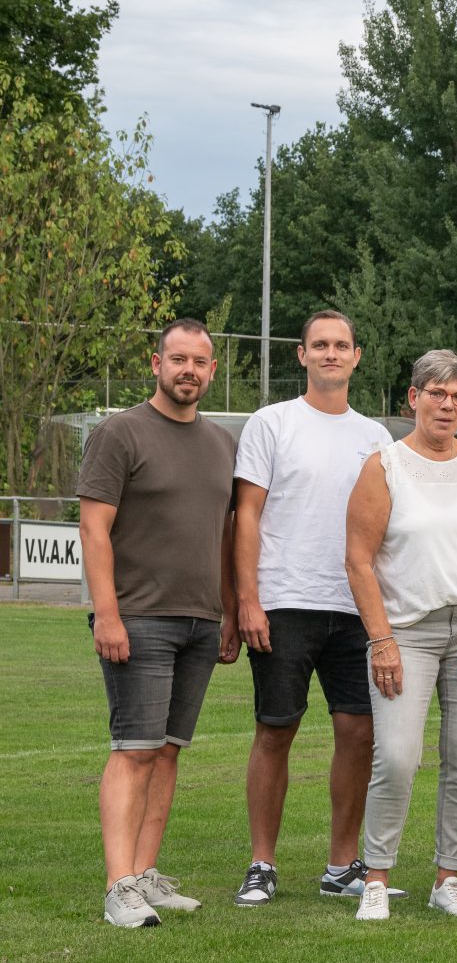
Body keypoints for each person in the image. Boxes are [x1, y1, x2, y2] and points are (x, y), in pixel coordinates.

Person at [343, 349, 457, 922]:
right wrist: (381, 640)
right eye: (436, 393)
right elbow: (359, 561)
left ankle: (448, 877)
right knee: (396, 756)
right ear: (413, 397)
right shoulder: (384, 465)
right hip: (406, 634)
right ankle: (375, 876)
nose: (447, 405)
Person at [77, 319, 239, 927]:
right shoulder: (120, 433)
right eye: (178, 360)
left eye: (200, 362)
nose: (188, 371)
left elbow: (224, 535)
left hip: (200, 620)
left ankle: (145, 875)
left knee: (168, 751)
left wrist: (224, 611)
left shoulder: (223, 444)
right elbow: (94, 529)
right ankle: (119, 886)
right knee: (134, 751)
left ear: (212, 371)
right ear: (156, 363)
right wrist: (109, 614)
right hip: (138, 618)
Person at [230, 311, 395, 907]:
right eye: (319, 345)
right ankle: (261, 863)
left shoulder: (376, 436)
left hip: (355, 607)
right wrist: (248, 598)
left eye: (341, 345)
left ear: (357, 356)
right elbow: (245, 515)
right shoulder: (271, 423)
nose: (330, 354)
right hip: (284, 600)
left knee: (359, 732)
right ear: (301, 355)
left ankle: (341, 865)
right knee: (276, 731)